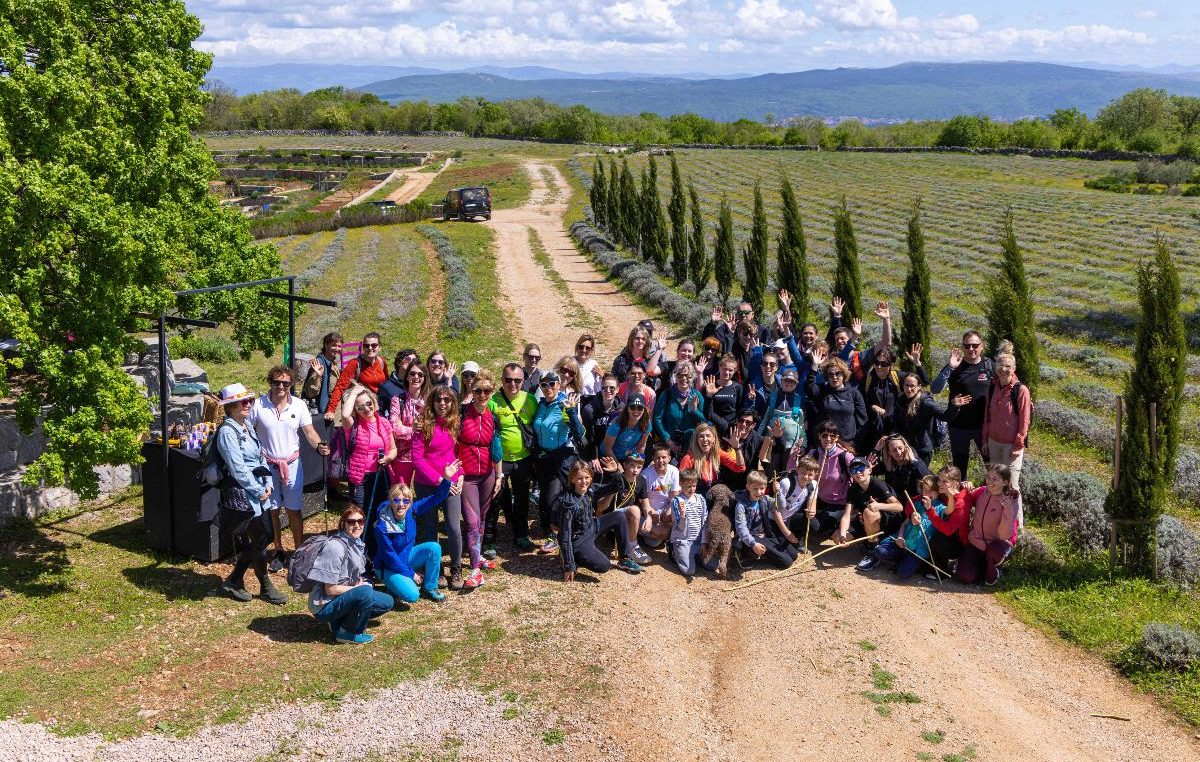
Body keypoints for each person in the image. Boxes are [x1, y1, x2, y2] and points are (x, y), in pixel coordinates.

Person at [247, 365, 330, 572]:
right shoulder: (258, 405)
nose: (281, 386)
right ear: (270, 383)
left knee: (294, 510)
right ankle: (279, 550)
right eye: (276, 382)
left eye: (285, 383)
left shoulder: (299, 405)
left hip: (292, 465)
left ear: (291, 384)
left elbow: (309, 431)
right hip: (267, 466)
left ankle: (299, 550)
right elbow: (247, 431)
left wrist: (319, 445)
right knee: (273, 511)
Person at [215, 383, 288, 605]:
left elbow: (260, 457)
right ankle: (261, 584)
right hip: (245, 495)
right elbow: (238, 469)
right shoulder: (228, 432)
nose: (248, 405)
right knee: (263, 535)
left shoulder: (245, 425)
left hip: (258, 492)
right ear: (231, 406)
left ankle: (238, 579)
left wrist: (268, 483)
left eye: (250, 400)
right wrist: (259, 490)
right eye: (243, 401)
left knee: (262, 536)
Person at [372, 460, 463, 605]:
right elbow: (390, 557)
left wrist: (446, 479)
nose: (401, 504)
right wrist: (411, 574)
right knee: (413, 595)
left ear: (410, 502)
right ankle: (392, 586)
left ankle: (429, 588)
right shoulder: (382, 526)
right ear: (390, 502)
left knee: (434, 548)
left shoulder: (411, 511)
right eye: (396, 500)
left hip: (406, 557)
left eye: (405, 500)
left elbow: (435, 498)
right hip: (387, 566)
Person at [307, 506, 393, 644]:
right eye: (352, 522)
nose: (357, 525)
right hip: (324, 605)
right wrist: (360, 589)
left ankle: (339, 621)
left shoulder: (355, 542)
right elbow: (330, 589)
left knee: (387, 602)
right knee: (365, 593)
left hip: (340, 596)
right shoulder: (335, 547)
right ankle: (347, 633)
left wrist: (362, 585)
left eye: (361, 521)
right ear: (343, 523)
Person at [411, 385, 466, 589]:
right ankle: (437, 568)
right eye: (438, 399)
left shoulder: (454, 423)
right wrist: (439, 480)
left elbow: (458, 454)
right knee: (431, 527)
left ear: (452, 403)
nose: (442, 403)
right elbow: (417, 459)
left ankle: (456, 567)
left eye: (447, 400)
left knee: (453, 526)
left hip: (450, 483)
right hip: (428, 484)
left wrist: (460, 475)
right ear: (432, 402)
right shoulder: (423, 426)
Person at [556, 459, 645, 580]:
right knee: (604, 566)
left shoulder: (591, 490)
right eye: (579, 478)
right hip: (578, 540)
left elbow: (617, 486)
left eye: (587, 477)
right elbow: (564, 536)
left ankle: (625, 559)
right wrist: (569, 565)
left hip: (591, 526)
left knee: (618, 516)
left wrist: (615, 472)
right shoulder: (568, 503)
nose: (584, 482)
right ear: (572, 479)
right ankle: (574, 557)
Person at [457, 371, 503, 587]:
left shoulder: (494, 418)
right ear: (471, 391)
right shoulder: (461, 413)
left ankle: (478, 556)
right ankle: (475, 569)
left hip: (487, 473)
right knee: (472, 521)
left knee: (482, 517)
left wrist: (500, 476)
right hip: (466, 476)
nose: (482, 395)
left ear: (492, 392)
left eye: (486, 391)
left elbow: (497, 450)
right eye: (478, 390)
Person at [487, 363, 538, 554]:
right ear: (502, 380)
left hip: (524, 458)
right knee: (495, 497)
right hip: (500, 461)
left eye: (517, 380)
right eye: (508, 380)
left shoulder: (530, 400)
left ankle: (521, 534)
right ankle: (489, 539)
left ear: (522, 381)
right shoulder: (493, 402)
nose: (513, 384)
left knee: (522, 497)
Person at [532, 370, 584, 554]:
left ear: (559, 384)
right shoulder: (541, 404)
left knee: (552, 498)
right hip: (542, 458)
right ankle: (548, 531)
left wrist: (571, 410)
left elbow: (580, 433)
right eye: (543, 384)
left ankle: (555, 535)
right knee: (543, 496)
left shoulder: (564, 403)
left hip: (560, 458)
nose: (548, 388)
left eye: (552, 383)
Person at [931, 330, 994, 478]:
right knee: (960, 469)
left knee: (992, 467)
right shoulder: (955, 366)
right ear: (963, 347)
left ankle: (990, 498)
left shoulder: (990, 365)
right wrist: (950, 367)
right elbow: (935, 389)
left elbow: (1008, 382)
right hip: (958, 427)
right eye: (967, 346)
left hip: (983, 428)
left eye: (975, 345)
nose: (971, 349)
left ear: (982, 346)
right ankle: (961, 499)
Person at [857, 474, 945, 578]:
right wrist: (900, 536)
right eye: (925, 490)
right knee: (879, 550)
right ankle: (900, 558)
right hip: (904, 542)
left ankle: (916, 564)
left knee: (903, 574)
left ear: (938, 491)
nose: (927, 493)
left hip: (919, 550)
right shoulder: (917, 503)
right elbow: (904, 523)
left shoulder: (942, 508)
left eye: (932, 490)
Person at [981, 346, 1031, 523]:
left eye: (1008, 366)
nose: (1003, 369)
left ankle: (1017, 528)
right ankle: (998, 521)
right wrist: (985, 439)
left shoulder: (1021, 390)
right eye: (1000, 365)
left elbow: (1025, 421)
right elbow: (988, 416)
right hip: (994, 442)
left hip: (1011, 446)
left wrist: (1019, 445)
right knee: (995, 483)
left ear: (1014, 368)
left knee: (1011, 486)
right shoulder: (992, 387)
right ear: (996, 367)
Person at [956, 464, 1019, 586]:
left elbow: (1004, 535)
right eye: (988, 477)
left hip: (998, 545)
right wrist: (965, 485)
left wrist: (1008, 511)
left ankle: (994, 568)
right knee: (965, 577)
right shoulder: (981, 492)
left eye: (995, 479)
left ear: (1005, 482)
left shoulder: (1010, 500)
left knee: (994, 552)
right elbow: (965, 497)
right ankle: (982, 566)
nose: (989, 481)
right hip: (976, 543)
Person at [340, 386, 396, 514]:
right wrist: (354, 392)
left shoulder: (384, 422)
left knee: (380, 510)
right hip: (360, 477)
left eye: (368, 403)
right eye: (360, 407)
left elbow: (393, 449)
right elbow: (344, 414)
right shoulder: (352, 425)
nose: (366, 409)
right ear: (356, 410)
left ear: (373, 401)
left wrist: (388, 458)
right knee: (360, 512)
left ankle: (375, 534)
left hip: (381, 474)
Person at [834, 457, 902, 560]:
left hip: (886, 522)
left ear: (869, 470)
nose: (858, 472)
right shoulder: (853, 490)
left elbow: (899, 507)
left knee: (868, 512)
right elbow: (847, 514)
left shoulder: (877, 484)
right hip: (866, 522)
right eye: (854, 470)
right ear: (851, 474)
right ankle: (867, 540)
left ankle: (872, 551)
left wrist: (879, 505)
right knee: (837, 537)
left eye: (861, 469)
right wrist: (843, 533)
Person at [594, 452, 655, 565]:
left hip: (625, 519)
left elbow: (646, 504)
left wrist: (649, 518)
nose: (635, 470)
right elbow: (600, 508)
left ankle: (632, 547)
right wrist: (615, 487)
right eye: (632, 466)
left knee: (636, 510)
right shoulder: (616, 478)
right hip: (609, 516)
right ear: (624, 465)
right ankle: (628, 544)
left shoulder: (641, 480)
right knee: (635, 510)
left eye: (639, 467)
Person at [888, 347, 946, 465]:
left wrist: (918, 364)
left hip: (922, 446)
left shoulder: (923, 401)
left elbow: (923, 381)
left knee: (921, 477)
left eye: (887, 362)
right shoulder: (901, 399)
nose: (881, 366)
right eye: (878, 363)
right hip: (904, 445)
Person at [801, 420, 856, 539]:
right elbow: (797, 472)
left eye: (832, 436)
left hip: (839, 503)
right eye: (824, 435)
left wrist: (865, 468)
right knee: (803, 519)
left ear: (837, 438)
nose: (828, 439)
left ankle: (840, 526)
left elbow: (859, 472)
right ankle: (835, 526)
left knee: (817, 527)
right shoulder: (813, 454)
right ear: (819, 436)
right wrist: (793, 456)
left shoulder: (844, 456)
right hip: (818, 500)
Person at [733, 470, 799, 569]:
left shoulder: (764, 499)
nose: (759, 492)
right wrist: (753, 544)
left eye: (762, 488)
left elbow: (781, 506)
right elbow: (741, 528)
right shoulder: (741, 505)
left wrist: (778, 493)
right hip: (751, 537)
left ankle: (766, 553)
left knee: (794, 555)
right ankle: (745, 553)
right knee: (787, 562)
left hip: (765, 534)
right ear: (747, 486)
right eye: (755, 488)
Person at [666, 469, 718, 580]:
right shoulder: (677, 501)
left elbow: (705, 521)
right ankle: (675, 552)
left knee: (713, 565)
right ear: (681, 484)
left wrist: (704, 542)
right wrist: (682, 514)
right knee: (689, 571)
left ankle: (696, 557)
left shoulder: (700, 499)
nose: (692, 489)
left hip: (698, 541)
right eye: (688, 486)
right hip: (684, 541)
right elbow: (680, 526)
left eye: (694, 486)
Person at [806, 354, 867, 446]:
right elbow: (809, 388)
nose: (834, 377)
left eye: (838, 373)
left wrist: (856, 442)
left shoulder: (854, 393)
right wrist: (815, 366)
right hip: (826, 442)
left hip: (847, 443)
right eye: (830, 374)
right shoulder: (822, 391)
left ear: (844, 374)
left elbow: (862, 420)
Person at [325, 332, 388, 418]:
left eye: (374, 345)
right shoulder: (355, 364)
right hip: (365, 408)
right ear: (363, 348)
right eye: (366, 345)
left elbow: (387, 383)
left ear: (379, 347)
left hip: (381, 405)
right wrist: (331, 410)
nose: (370, 348)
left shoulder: (381, 362)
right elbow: (340, 386)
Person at [652, 361, 707, 458]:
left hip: (691, 446)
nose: (684, 378)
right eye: (680, 375)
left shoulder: (697, 396)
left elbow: (704, 423)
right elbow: (657, 418)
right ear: (675, 377)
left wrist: (695, 410)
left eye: (687, 375)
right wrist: (669, 441)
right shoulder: (667, 394)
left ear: (693, 377)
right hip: (669, 445)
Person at [388, 361, 429, 487]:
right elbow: (394, 428)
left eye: (420, 375)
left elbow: (432, 428)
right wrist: (413, 429)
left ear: (424, 378)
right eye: (412, 374)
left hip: (425, 455)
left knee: (425, 492)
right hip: (403, 456)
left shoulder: (430, 401)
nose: (416, 377)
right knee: (400, 491)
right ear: (407, 376)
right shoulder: (398, 400)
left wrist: (404, 428)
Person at [678, 422, 746, 495]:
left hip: (715, 496)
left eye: (708, 436)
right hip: (697, 498)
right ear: (697, 440)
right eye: (701, 436)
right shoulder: (689, 458)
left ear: (713, 438)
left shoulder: (718, 453)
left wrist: (737, 448)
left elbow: (740, 468)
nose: (705, 439)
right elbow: (680, 483)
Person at [926, 465, 969, 577]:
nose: (939, 484)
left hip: (959, 542)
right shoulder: (944, 493)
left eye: (945, 481)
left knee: (937, 539)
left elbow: (948, 530)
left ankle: (941, 572)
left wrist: (930, 510)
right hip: (947, 535)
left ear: (955, 484)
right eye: (939, 480)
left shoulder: (960, 502)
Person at [773, 455, 821, 551]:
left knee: (814, 525)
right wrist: (786, 532)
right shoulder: (786, 483)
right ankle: (778, 536)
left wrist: (811, 512)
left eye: (810, 474)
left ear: (815, 474)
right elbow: (775, 511)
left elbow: (812, 506)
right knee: (786, 550)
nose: (806, 477)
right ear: (797, 470)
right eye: (803, 473)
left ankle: (799, 538)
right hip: (776, 519)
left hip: (790, 517)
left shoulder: (813, 485)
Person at [639, 442, 681, 549]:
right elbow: (642, 499)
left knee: (679, 510)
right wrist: (651, 512)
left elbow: (674, 496)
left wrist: (669, 510)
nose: (661, 461)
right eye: (657, 458)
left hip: (665, 509)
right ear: (653, 458)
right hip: (650, 509)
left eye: (664, 457)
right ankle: (645, 532)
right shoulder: (646, 474)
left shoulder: (674, 471)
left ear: (669, 458)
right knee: (654, 543)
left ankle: (664, 533)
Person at [873, 433, 932, 509]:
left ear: (906, 447)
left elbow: (929, 478)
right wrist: (876, 450)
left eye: (900, 448)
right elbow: (868, 469)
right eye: (894, 450)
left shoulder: (915, 463)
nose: (898, 452)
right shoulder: (887, 464)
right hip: (896, 505)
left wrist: (914, 461)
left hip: (914, 504)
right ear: (889, 453)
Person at [581, 373, 623, 466]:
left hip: (612, 448)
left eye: (612, 388)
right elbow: (589, 436)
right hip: (594, 447)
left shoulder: (621, 408)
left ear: (617, 390)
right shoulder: (589, 410)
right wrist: (594, 457)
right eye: (605, 387)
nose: (608, 390)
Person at [302, 332, 342, 422]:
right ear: (326, 345)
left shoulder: (332, 364)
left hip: (328, 411)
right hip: (318, 413)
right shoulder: (319, 363)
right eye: (334, 345)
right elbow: (310, 393)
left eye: (339, 346)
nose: (337, 349)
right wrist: (317, 377)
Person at [702, 355, 745, 438]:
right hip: (713, 428)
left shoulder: (738, 388)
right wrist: (709, 396)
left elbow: (740, 409)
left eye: (730, 370)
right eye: (724, 369)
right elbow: (706, 412)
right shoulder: (710, 386)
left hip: (731, 428)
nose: (727, 372)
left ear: (735, 371)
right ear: (719, 368)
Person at [602, 392, 651, 462]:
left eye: (640, 408)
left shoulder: (646, 423)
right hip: (608, 456)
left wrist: (636, 463)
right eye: (633, 407)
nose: (636, 411)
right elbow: (608, 448)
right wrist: (618, 468)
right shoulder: (616, 425)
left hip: (627, 456)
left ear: (644, 410)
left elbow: (641, 445)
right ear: (627, 408)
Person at [378, 349, 419, 418]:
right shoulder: (386, 387)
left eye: (414, 361)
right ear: (399, 363)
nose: (411, 362)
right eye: (407, 359)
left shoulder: (417, 385)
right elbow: (380, 413)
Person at [573, 334, 603, 403]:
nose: (584, 350)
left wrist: (602, 377)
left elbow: (598, 390)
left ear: (591, 350)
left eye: (587, 348)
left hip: (589, 403)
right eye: (581, 347)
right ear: (577, 348)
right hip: (571, 402)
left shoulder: (594, 365)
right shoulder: (570, 362)